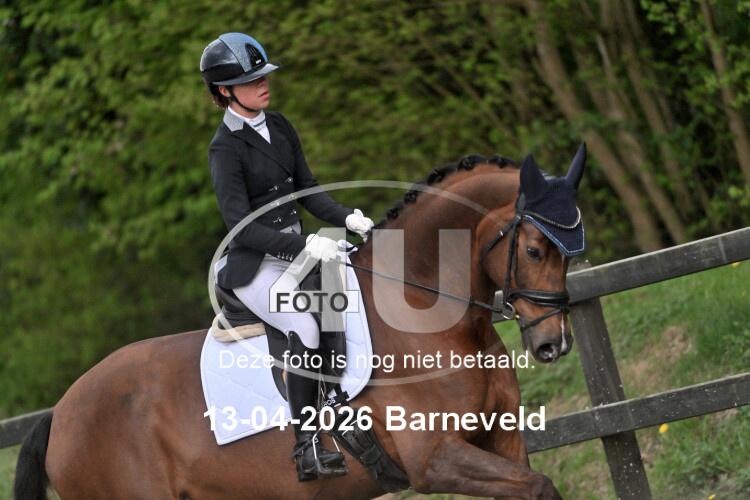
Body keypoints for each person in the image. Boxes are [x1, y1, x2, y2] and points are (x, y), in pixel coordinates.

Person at [199, 32, 374, 481]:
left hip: (296, 252)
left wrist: (346, 217)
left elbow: (307, 191)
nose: (263, 83)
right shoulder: (224, 148)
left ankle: (335, 397)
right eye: (251, 79)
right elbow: (241, 226)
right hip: (253, 265)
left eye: (264, 76)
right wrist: (305, 245)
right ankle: (306, 445)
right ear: (225, 91)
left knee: (346, 294)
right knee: (304, 324)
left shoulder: (279, 126)